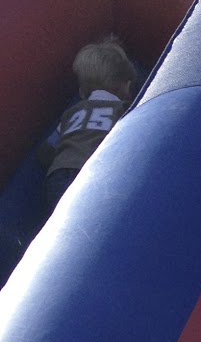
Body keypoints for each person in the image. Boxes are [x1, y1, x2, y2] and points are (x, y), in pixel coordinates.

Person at [38, 37, 137, 215]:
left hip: (57, 177)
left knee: (64, 216)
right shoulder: (122, 110)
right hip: (93, 175)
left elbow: (45, 150)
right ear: (126, 87)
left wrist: (62, 159)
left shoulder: (72, 113)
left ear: (82, 92)